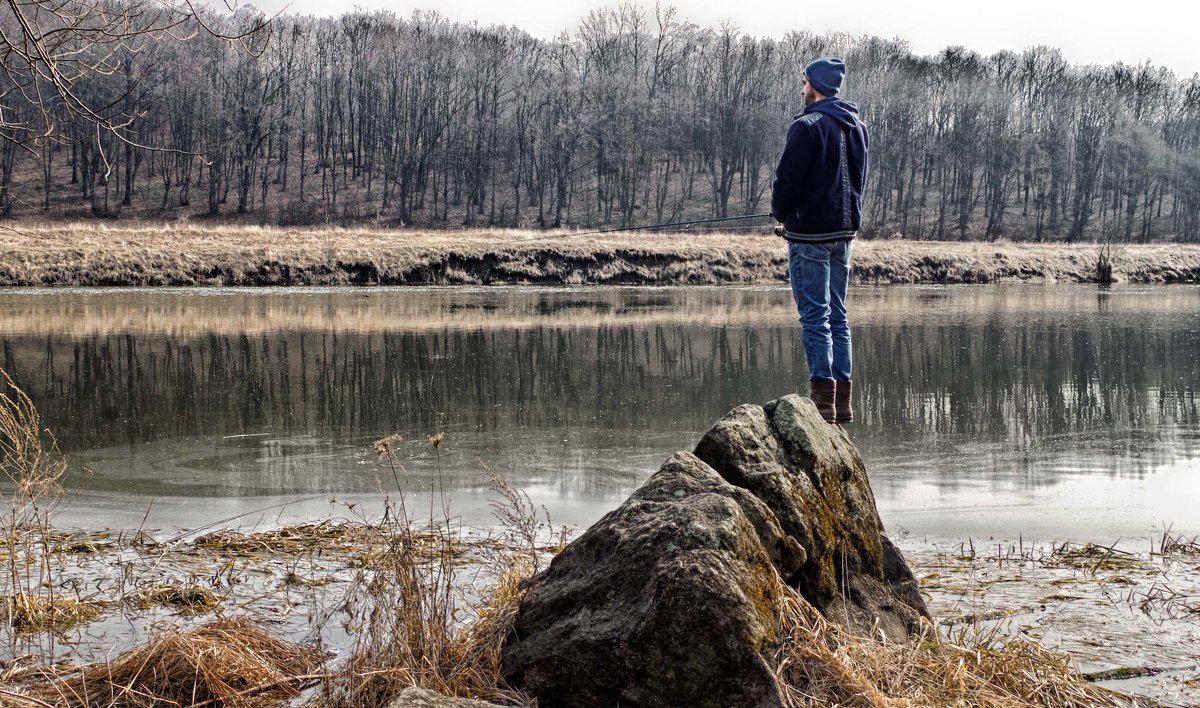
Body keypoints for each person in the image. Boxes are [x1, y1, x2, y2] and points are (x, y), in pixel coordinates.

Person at [770, 57, 869, 425]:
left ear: (815, 84)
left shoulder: (806, 126)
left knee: (815, 317)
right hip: (844, 234)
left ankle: (822, 407)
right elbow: (859, 181)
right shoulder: (857, 125)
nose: (801, 89)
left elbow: (787, 182)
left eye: (804, 82)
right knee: (838, 318)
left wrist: (782, 216)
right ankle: (841, 406)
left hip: (810, 236)